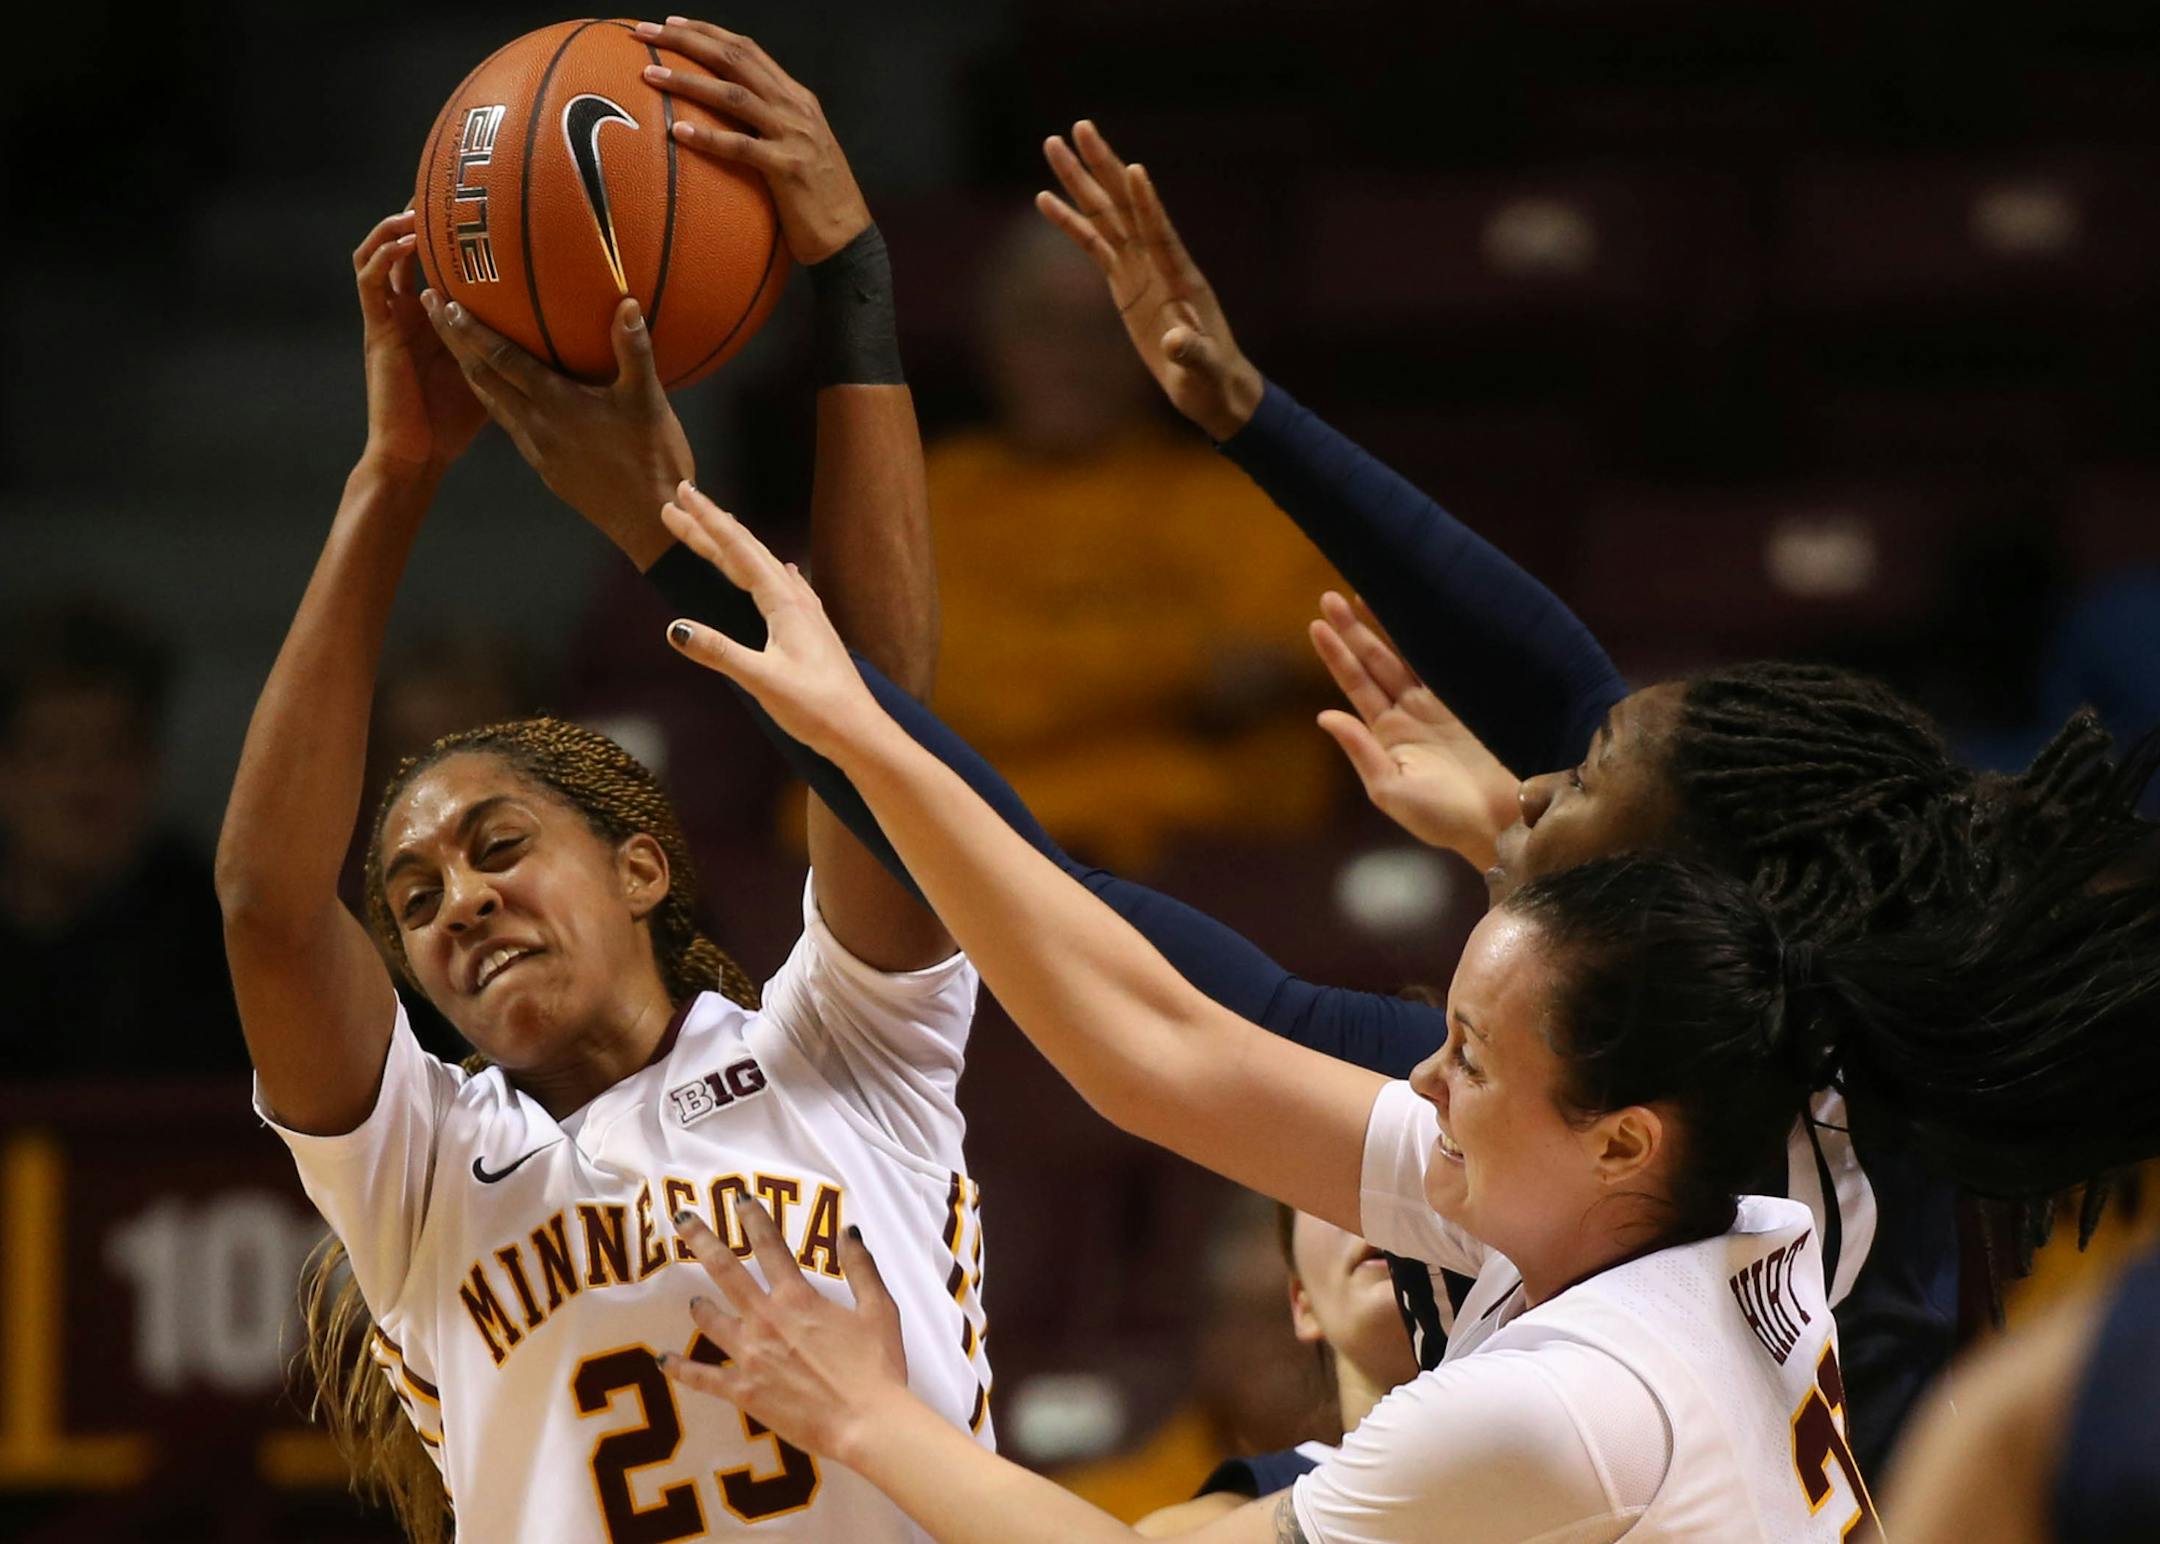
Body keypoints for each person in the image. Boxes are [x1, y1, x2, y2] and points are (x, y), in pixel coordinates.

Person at [648, 487, 2160, 1541]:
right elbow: (1161, 1053)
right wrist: (844, 727)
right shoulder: (1717, 1203)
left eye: (1471, 1059)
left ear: (1620, 1134)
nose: (1421, 1080)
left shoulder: (1572, 1396)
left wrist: (861, 1414)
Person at [1025, 119, 2159, 1466]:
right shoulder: (1812, 1059)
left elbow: (1174, 1010)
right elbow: (1578, 697)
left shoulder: (1608, 1100)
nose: (1548, 771)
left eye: (1586, 783)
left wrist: (850, 723)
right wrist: (1248, 415)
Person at [222, 24, 992, 1543]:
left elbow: (882, 731)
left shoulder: (849, 1051)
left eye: (499, 844)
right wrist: (396, 476)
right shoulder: (425, 1180)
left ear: (645, 864)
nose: (461, 904)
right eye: (417, 896)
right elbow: (263, 905)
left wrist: (853, 283)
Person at [921, 213, 1345, 870]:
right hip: (959, 854)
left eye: (1103, 331)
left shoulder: (1234, 500)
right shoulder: (927, 493)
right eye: (1041, 323)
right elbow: (946, 686)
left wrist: (1043, 677)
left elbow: (1305, 648)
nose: (1070, 358)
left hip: (1195, 868)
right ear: (993, 336)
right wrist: (1185, 669)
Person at [0, 599, 243, 1077]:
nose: (84, 783)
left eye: (113, 751)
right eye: (52, 753)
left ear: (153, 765)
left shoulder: (213, 935)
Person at [1136, 1206, 1419, 1536]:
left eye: (1415, 1166)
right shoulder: (1187, 1528)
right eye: (1325, 1181)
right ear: (1302, 1302)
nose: (1372, 1207)